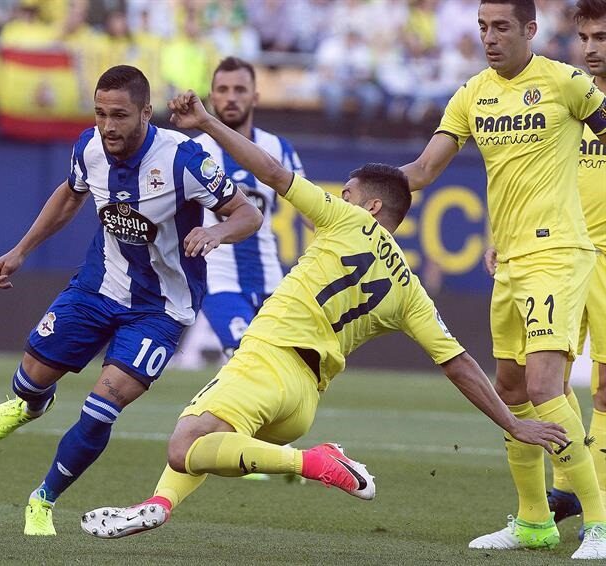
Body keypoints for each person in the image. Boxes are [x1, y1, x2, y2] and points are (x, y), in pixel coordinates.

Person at [79, 89, 568, 541]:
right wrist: (512, 422)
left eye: (348, 193)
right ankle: (160, 504)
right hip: (303, 400)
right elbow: (459, 364)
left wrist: (207, 122)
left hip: (268, 359)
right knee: (210, 438)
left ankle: (314, 461)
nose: (341, 198)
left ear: (371, 206)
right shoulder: (410, 288)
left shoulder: (346, 219)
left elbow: (273, 173)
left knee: (185, 443)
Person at [0, 65, 262, 536]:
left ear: (146, 113)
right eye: (100, 113)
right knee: (30, 378)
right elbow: (70, 195)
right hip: (98, 287)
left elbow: (247, 213)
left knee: (102, 405)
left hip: (161, 309)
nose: (108, 126)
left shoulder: (184, 160)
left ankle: (42, 500)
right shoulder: (89, 147)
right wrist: (21, 250)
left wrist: (216, 232)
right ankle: (30, 405)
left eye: (120, 115)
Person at [398, 0, 606, 558]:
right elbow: (423, 170)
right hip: (509, 260)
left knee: (544, 385)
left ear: (530, 30)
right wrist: (367, 188)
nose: (489, 38)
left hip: (558, 253)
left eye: (501, 27)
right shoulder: (472, 94)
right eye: (483, 27)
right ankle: (534, 521)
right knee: (510, 390)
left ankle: (600, 523)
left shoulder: (565, 83)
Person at [483, 0, 606, 536]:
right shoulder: (565, 90)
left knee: (600, 388)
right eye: (585, 37)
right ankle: (562, 498)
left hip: (591, 257)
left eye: (602, 37)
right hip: (558, 254)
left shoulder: (573, 93)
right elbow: (524, 176)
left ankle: (594, 507)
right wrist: (502, 235)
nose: (592, 48)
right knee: (537, 381)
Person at [186, 56, 304, 362]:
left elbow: (311, 210)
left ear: (255, 97)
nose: (231, 97)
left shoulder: (278, 149)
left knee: (288, 367)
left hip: (271, 280)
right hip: (218, 280)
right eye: (223, 90)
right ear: (211, 97)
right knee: (248, 358)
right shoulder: (193, 151)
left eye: (240, 90)